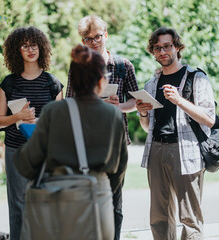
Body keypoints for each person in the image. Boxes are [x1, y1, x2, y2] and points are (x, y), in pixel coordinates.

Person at [13, 44, 128, 240]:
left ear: (72, 80)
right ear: (101, 81)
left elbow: (27, 162)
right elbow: (119, 168)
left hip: (57, 200)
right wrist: (100, 186)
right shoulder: (113, 115)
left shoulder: (53, 111)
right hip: (98, 199)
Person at [136, 27, 215, 239]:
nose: (162, 52)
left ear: (177, 47)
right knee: (159, 218)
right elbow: (147, 127)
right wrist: (143, 114)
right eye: (157, 48)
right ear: (153, 52)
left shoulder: (197, 79)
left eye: (167, 46)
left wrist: (179, 100)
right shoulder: (151, 85)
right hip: (156, 151)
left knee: (190, 218)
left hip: (186, 152)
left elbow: (209, 119)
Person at [65, 15, 139, 238]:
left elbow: (135, 102)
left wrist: (118, 108)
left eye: (97, 36)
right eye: (88, 39)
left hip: (117, 143)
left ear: (105, 35)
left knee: (115, 203)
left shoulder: (123, 65)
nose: (94, 42)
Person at [0, 26, 63, 240]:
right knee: (18, 205)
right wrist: (18, 117)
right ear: (17, 51)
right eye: (24, 46)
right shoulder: (9, 83)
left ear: (41, 48)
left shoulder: (52, 83)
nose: (30, 49)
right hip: (16, 150)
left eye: (34, 44)